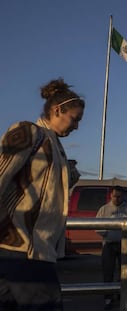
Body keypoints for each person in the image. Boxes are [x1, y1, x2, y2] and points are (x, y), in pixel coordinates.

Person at [0, 78, 85, 310]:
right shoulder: (28, 132)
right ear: (58, 110)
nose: (76, 126)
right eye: (74, 119)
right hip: (24, 248)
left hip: (29, 251)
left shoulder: (54, 144)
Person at [96, 186, 127, 310]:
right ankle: (108, 297)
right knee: (108, 271)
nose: (117, 199)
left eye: (119, 196)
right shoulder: (104, 209)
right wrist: (106, 233)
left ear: (123, 196)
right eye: (115, 196)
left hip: (124, 244)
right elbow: (96, 224)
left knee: (124, 272)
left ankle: (121, 295)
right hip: (109, 244)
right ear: (110, 196)